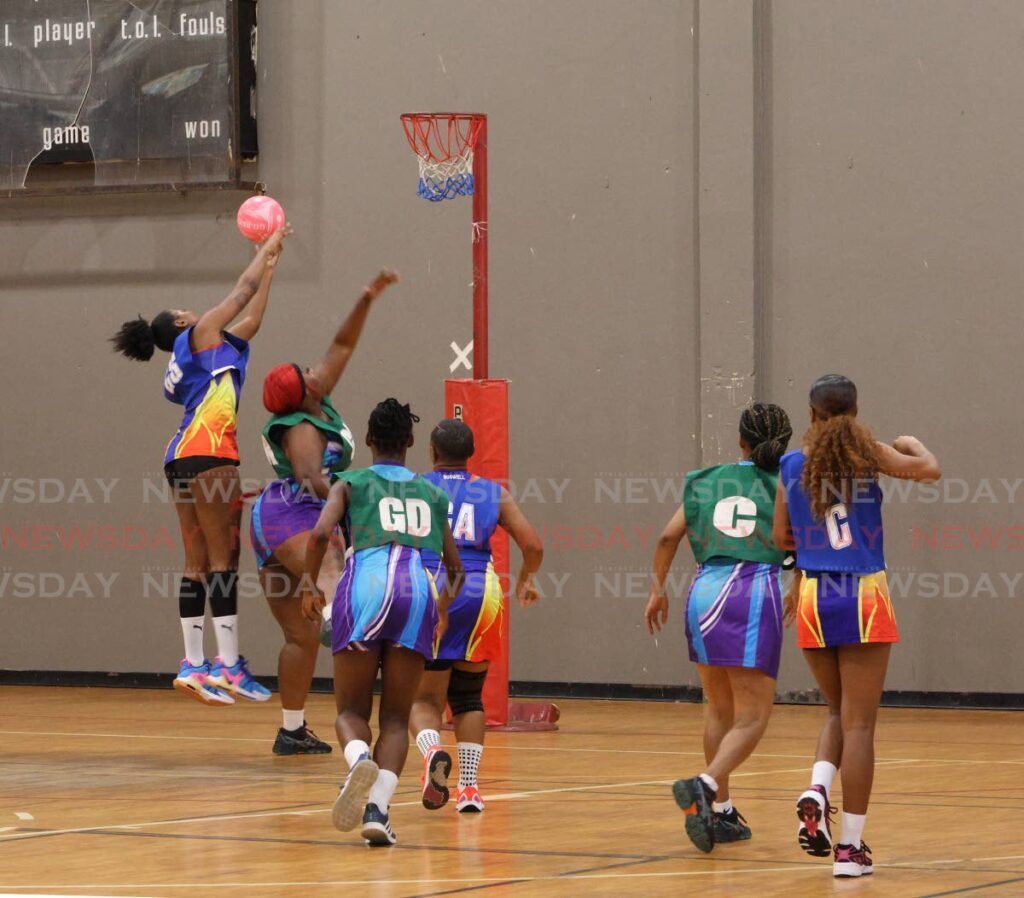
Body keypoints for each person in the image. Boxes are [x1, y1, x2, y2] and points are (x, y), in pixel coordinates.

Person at [110, 225, 292, 705]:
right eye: (187, 311)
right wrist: (266, 249)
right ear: (181, 321)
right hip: (211, 453)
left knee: (195, 563)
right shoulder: (203, 332)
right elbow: (241, 291)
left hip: (180, 458)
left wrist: (270, 269)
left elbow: (251, 318)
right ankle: (229, 666)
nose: (195, 310)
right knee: (223, 561)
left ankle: (193, 664)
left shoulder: (202, 351)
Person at [772, 374, 940, 879]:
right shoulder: (870, 456)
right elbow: (929, 469)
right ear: (856, 409)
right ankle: (849, 848)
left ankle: (818, 788)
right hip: (863, 591)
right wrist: (910, 443)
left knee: (838, 711)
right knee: (860, 724)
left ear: (812, 412)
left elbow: (781, 537)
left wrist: (808, 545)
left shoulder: (791, 464)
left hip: (813, 594)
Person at [301, 399, 464, 846]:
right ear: (410, 442)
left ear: (369, 441)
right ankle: (378, 811)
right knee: (395, 717)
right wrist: (443, 610)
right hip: (415, 593)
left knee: (351, 712)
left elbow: (318, 535)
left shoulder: (350, 482)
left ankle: (357, 765)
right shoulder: (432, 493)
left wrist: (308, 585)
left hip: (364, 589)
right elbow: (456, 570)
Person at [251, 270, 399, 754]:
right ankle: (357, 632)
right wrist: (358, 503)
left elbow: (341, 344)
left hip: (274, 517)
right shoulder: (300, 427)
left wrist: (366, 296)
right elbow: (315, 481)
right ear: (304, 393)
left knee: (300, 632)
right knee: (333, 565)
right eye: (307, 374)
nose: (316, 371)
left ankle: (291, 730)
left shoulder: (315, 397)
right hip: (296, 512)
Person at [644, 403, 793, 853]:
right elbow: (796, 542)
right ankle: (704, 786)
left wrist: (657, 589)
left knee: (718, 710)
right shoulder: (787, 483)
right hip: (751, 590)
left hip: (703, 593)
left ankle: (721, 811)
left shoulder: (705, 479)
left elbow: (668, 537)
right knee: (752, 717)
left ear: (740, 442)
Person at [409, 419, 544, 813]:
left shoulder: (415, 486)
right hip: (482, 590)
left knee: (424, 698)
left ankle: (432, 752)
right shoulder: (493, 493)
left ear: (433, 453)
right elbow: (533, 544)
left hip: (435, 584)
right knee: (469, 696)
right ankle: (469, 789)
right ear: (470, 455)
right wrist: (525, 580)